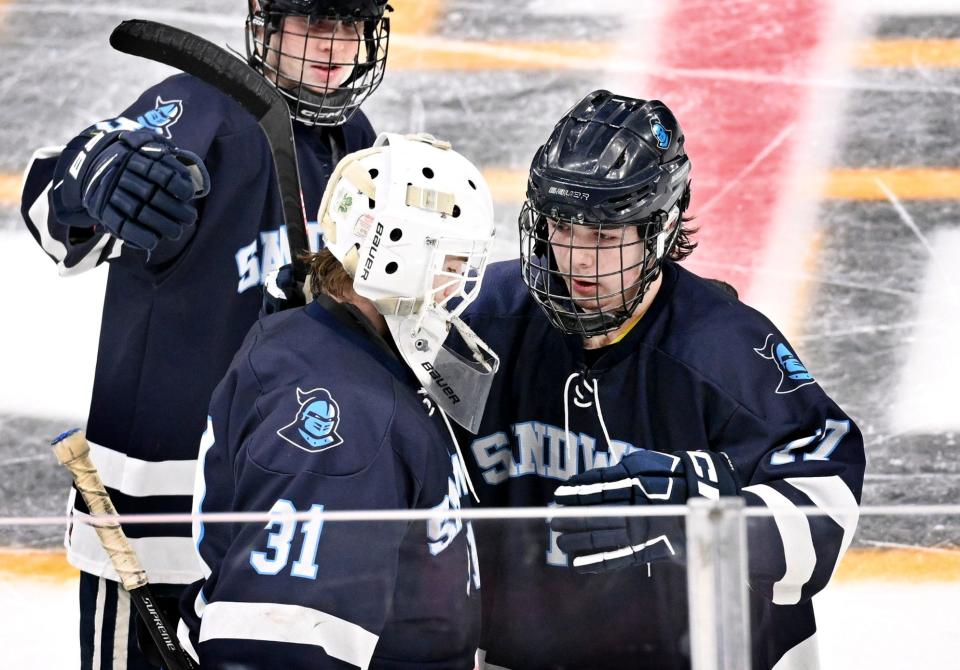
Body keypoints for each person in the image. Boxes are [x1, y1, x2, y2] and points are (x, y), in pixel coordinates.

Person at [19, 1, 390, 667]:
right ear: (267, 26)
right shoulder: (201, 107)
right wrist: (97, 178)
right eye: (313, 23)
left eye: (349, 26)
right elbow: (54, 209)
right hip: (153, 523)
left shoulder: (356, 141)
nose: (333, 47)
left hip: (279, 519)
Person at [457, 90, 866, 670]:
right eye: (562, 228)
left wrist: (701, 513)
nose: (577, 260)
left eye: (604, 236)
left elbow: (828, 503)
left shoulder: (724, 348)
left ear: (661, 227)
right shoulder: (486, 319)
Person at [177, 133, 496, 668]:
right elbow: (281, 645)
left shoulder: (335, 346)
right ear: (396, 258)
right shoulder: (347, 427)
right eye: (451, 261)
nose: (458, 282)